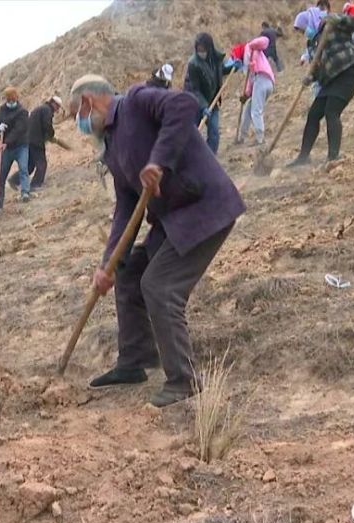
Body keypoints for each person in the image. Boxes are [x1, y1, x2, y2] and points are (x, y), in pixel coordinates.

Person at [68, 75, 246, 408]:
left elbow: (184, 104)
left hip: (205, 207)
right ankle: (134, 362)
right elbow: (125, 206)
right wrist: (108, 264)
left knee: (160, 286)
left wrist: (158, 161)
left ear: (89, 101)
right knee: (130, 269)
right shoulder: (111, 145)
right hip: (173, 219)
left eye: (76, 112)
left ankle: (184, 379)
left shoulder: (136, 101)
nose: (78, 122)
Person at [288, 13, 354, 166]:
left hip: (346, 74)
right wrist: (311, 77)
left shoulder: (331, 23)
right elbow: (319, 67)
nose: (304, 33)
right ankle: (303, 157)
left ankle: (333, 156)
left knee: (331, 112)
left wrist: (339, 19)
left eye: (303, 29)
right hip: (329, 81)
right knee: (313, 115)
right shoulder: (314, 42)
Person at [184, 32, 233, 154]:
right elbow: (195, 89)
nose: (201, 52)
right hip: (195, 102)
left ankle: (210, 158)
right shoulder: (193, 64)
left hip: (213, 100)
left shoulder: (216, 58)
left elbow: (220, 71)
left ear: (209, 48)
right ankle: (189, 159)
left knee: (214, 132)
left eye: (203, 49)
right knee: (192, 134)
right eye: (198, 49)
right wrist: (204, 106)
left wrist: (233, 67)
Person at [10, 95, 63, 192]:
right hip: (36, 141)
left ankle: (14, 180)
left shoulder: (40, 108)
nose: (57, 109)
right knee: (42, 164)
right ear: (53, 104)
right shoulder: (47, 110)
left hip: (27, 140)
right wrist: (51, 135)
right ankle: (35, 185)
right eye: (58, 107)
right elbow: (47, 125)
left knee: (30, 166)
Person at [0, 87, 31, 212]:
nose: (11, 101)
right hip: (6, 149)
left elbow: (19, 130)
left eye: (13, 99)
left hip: (21, 146)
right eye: (9, 100)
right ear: (6, 99)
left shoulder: (22, 112)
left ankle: (25, 193)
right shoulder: (1, 111)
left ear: (16, 98)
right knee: (1, 177)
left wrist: (6, 142)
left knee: (24, 169)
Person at [236, 35, 276, 146]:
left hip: (263, 80)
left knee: (255, 111)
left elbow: (265, 40)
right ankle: (241, 137)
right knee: (248, 109)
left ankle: (260, 139)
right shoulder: (247, 61)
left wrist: (252, 44)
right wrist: (246, 94)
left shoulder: (251, 48)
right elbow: (250, 79)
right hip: (261, 82)